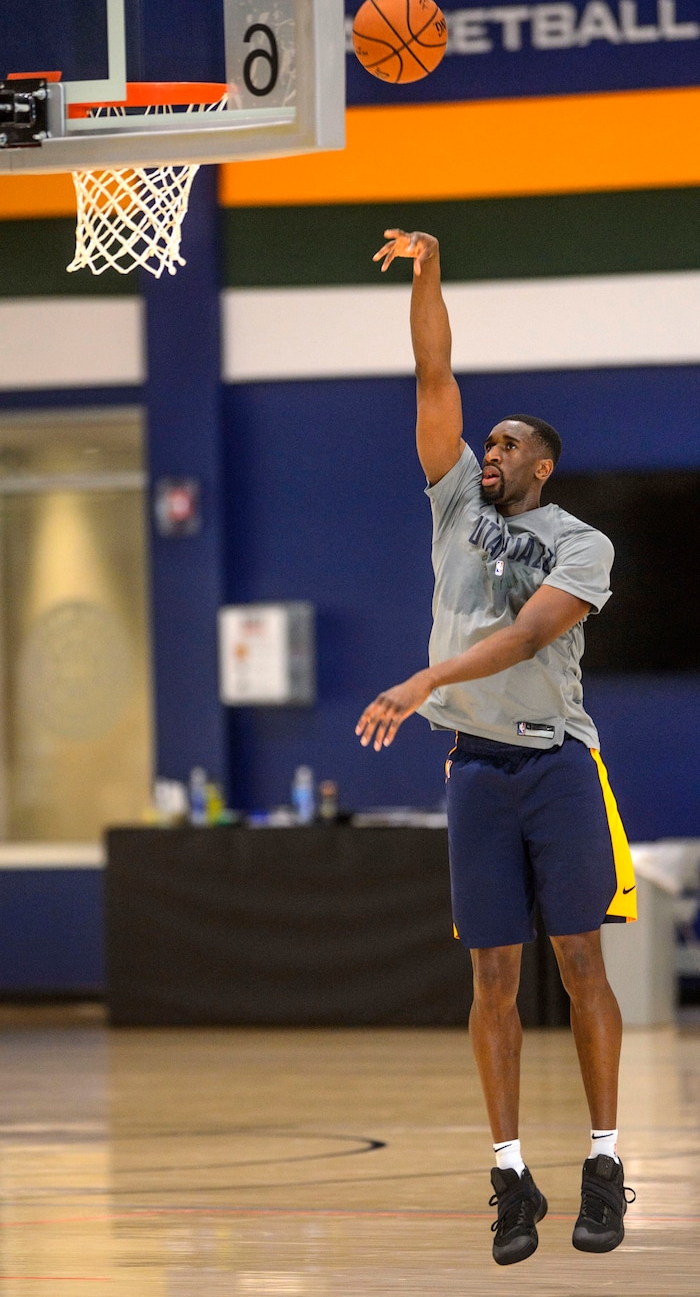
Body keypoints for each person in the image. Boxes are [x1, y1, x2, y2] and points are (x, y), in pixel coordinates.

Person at [356, 229, 637, 1267]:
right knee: (490, 978)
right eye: (492, 440)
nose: (493, 450)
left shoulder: (578, 544)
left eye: (510, 442)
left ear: (544, 463)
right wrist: (429, 274)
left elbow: (524, 637)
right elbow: (434, 372)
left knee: (579, 960)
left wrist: (426, 676)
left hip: (557, 762)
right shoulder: (452, 507)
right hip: (474, 770)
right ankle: (509, 1173)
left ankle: (604, 1160)